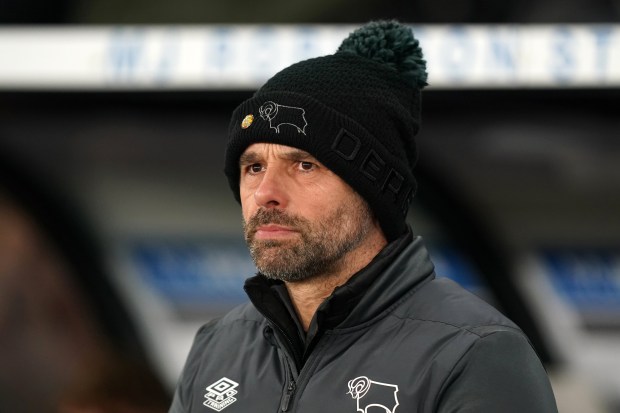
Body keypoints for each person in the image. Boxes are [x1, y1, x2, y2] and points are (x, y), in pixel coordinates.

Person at [169, 20, 558, 412]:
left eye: (304, 165)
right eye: (253, 167)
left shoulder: (474, 353)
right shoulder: (217, 346)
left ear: (373, 189)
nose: (266, 193)